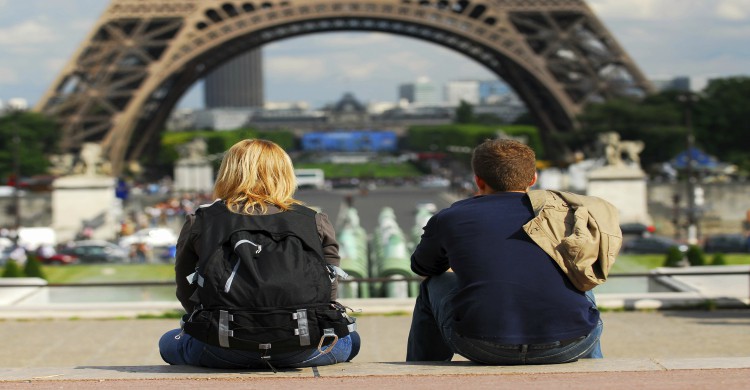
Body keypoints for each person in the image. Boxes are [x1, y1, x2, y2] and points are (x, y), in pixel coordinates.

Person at [406, 138, 621, 365]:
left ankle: (422, 369)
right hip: (572, 344)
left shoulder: (451, 217)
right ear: (533, 179)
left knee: (433, 284)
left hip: (481, 344)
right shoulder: (562, 213)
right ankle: (596, 370)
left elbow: (422, 267)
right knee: (580, 279)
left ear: (478, 181)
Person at [159, 139, 360, 369]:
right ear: (285, 173)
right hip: (305, 347)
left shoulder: (201, 221)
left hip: (221, 347)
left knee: (168, 341)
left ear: (228, 172)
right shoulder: (314, 220)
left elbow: (185, 289)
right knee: (352, 339)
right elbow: (329, 290)